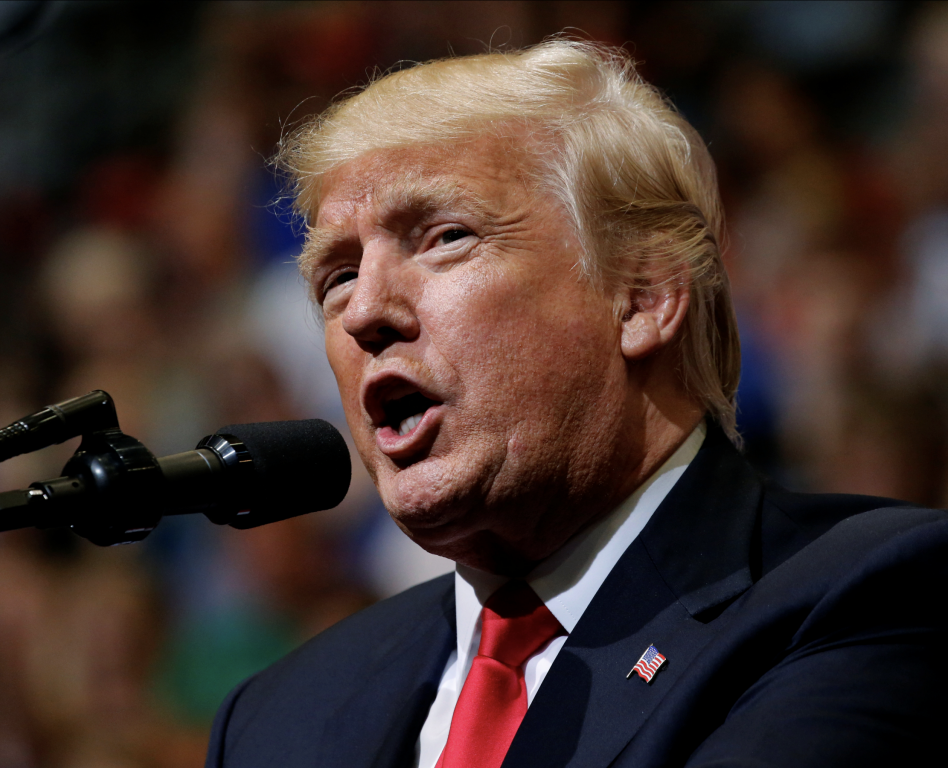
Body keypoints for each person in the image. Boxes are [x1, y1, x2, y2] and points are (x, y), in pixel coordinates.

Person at [205, 41, 947, 768]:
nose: (363, 310)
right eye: (336, 276)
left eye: (444, 237)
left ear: (643, 296)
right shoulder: (276, 718)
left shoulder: (870, 596)